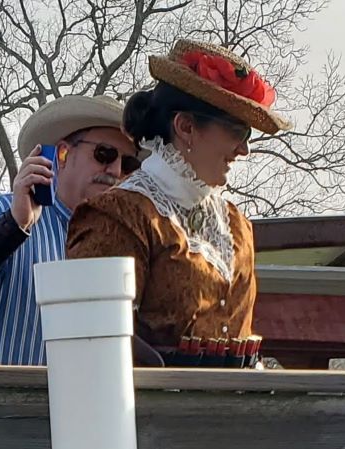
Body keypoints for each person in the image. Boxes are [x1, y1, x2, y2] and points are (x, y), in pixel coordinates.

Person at [67, 40, 291, 367]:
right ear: (185, 127)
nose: (244, 149)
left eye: (248, 136)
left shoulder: (237, 226)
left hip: (236, 400)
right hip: (145, 401)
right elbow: (92, 347)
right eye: (236, 131)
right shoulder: (117, 215)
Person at [0, 95, 140, 365]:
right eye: (104, 154)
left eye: (129, 164)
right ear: (62, 154)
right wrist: (13, 227)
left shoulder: (127, 244)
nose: (116, 170)